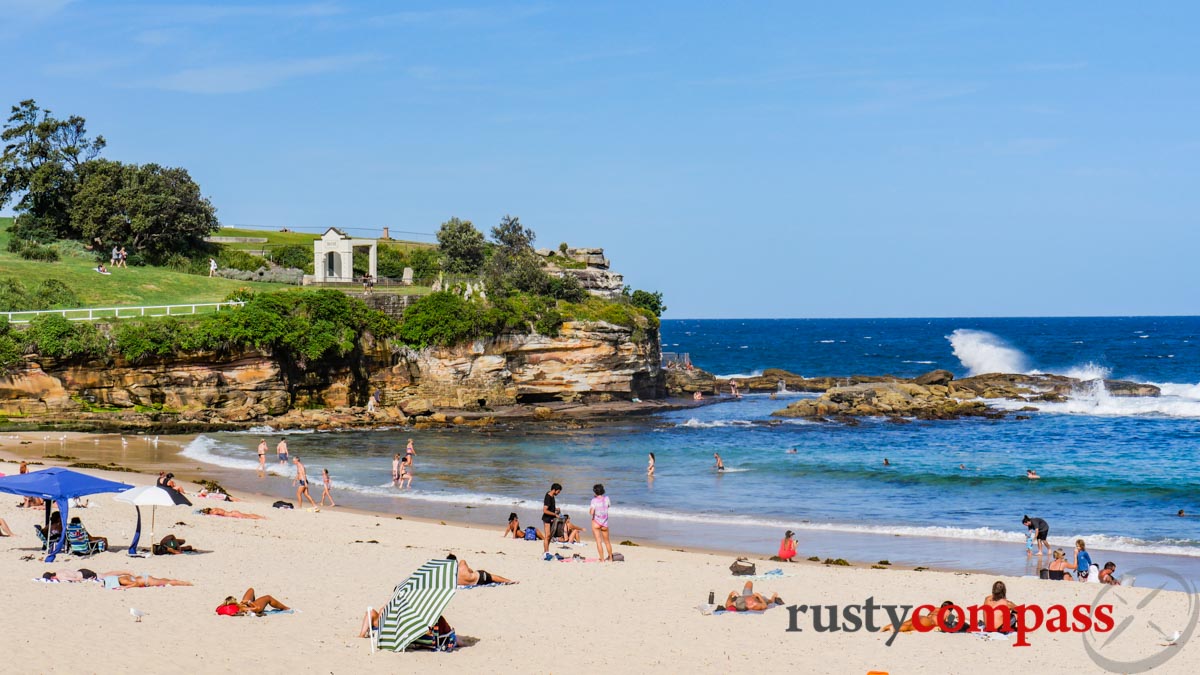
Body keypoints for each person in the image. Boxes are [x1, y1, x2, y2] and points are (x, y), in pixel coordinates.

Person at [881, 601, 960, 633]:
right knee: (910, 627)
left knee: (906, 623)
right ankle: (893, 628)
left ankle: (885, 627)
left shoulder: (935, 608)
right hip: (928, 621)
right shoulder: (948, 612)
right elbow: (948, 623)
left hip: (921, 616)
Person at [448, 554, 515, 586]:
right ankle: (508, 581)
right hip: (480, 577)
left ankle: (507, 581)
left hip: (476, 583)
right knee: (492, 577)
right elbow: (470, 570)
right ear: (456, 561)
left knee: (491, 578)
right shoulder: (462, 564)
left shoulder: (449, 576)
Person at [216, 588, 289, 616]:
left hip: (246, 605)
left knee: (251, 590)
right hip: (252, 606)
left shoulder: (222, 607)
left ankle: (255, 601)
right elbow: (257, 608)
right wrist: (249, 602)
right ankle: (286, 608)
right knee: (268, 597)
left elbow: (218, 609)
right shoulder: (243, 609)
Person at [590, 483, 613, 562]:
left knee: (598, 541)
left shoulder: (594, 500)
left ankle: (602, 559)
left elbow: (591, 512)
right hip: (605, 523)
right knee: (607, 541)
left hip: (596, 522)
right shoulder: (607, 498)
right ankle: (610, 558)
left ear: (595, 492)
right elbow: (608, 506)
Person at [541, 483, 562, 554]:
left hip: (551, 518)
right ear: (554, 490)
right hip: (547, 518)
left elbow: (549, 507)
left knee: (550, 536)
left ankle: (546, 551)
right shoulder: (548, 497)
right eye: (558, 491)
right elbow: (545, 510)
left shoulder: (552, 495)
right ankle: (546, 552)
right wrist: (555, 514)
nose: (558, 493)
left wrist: (555, 509)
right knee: (547, 536)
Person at [111, 573, 192, 588]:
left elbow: (135, 583)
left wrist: (126, 587)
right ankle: (176, 580)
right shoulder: (121, 577)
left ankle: (186, 583)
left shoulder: (122, 581)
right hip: (144, 577)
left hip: (146, 580)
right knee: (162, 580)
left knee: (168, 582)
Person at [199, 507, 265, 519]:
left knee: (248, 516)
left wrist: (207, 514)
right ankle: (261, 517)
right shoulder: (215, 508)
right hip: (232, 512)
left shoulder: (215, 511)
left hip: (232, 514)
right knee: (248, 515)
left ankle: (261, 517)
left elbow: (213, 514)